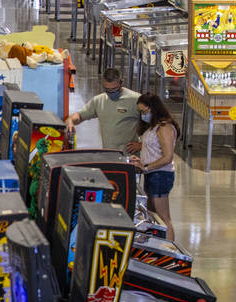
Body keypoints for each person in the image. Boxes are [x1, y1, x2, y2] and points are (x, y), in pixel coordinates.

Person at [129, 91, 179, 243]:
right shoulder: (153, 127)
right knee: (152, 214)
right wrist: (141, 160)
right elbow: (153, 151)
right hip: (152, 174)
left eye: (144, 111)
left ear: (153, 108)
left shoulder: (164, 128)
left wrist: (146, 166)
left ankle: (170, 249)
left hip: (161, 176)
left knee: (163, 217)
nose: (143, 115)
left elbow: (167, 157)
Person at [64, 68, 142, 152]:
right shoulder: (99, 100)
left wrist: (141, 145)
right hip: (109, 153)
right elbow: (80, 115)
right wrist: (70, 121)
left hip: (130, 156)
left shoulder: (135, 99)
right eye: (107, 89)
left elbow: (155, 122)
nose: (111, 92)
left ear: (121, 83)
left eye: (114, 89)